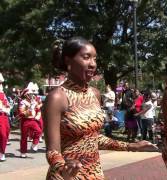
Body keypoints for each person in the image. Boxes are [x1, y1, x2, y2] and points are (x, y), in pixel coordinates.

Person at [44, 37, 157, 179]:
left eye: (95, 59)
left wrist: (131, 146)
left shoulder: (95, 94)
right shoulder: (57, 98)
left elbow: (94, 139)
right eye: (86, 57)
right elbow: (52, 151)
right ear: (68, 61)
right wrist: (62, 167)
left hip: (94, 173)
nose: (92, 64)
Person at [18, 85, 42, 158]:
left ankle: (34, 144)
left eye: (32, 94)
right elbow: (21, 113)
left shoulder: (34, 101)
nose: (32, 96)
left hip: (33, 120)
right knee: (24, 136)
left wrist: (38, 113)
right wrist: (30, 109)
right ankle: (23, 152)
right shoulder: (23, 102)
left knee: (39, 131)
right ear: (26, 95)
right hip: (25, 120)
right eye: (30, 94)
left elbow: (38, 109)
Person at [0, 73, 11, 161]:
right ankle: (1, 153)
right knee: (2, 135)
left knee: (6, 134)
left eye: (0, 83)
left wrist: (7, 108)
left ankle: (1, 152)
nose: (0, 85)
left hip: (4, 117)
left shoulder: (3, 94)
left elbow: (7, 105)